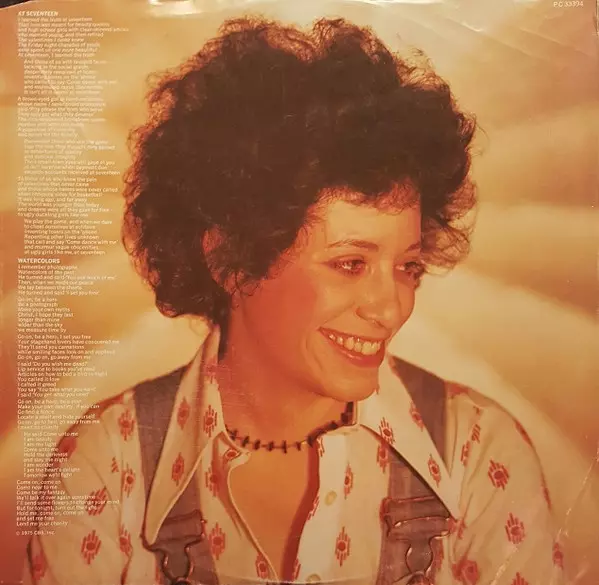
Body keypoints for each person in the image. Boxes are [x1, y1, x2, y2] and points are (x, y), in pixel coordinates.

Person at [24, 16, 564, 585]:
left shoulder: (477, 453)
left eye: (407, 267)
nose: (390, 309)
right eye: (350, 264)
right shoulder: (106, 463)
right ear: (229, 259)